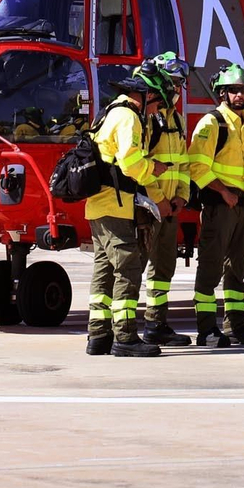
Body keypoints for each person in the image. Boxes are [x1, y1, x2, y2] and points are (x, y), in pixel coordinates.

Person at [86, 64, 173, 357]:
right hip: (115, 206)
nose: (158, 109)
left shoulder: (110, 111)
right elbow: (131, 164)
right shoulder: (128, 117)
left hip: (100, 205)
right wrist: (154, 168)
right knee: (128, 267)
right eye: (158, 103)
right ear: (147, 95)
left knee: (104, 269)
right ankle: (125, 337)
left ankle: (99, 335)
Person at [186, 62, 244, 347]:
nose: (239, 95)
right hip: (220, 207)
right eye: (233, 90)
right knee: (211, 268)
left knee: (237, 270)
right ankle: (206, 329)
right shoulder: (212, 123)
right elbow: (197, 166)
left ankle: (236, 325)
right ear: (222, 93)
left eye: (243, 90)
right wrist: (223, 192)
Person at [137, 53, 193, 347]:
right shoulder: (147, 118)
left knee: (163, 268)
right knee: (134, 268)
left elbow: (182, 162)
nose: (176, 89)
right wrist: (158, 199)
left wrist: (181, 196)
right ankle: (120, 329)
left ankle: (155, 324)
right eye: (172, 82)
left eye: (179, 84)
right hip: (148, 207)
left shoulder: (177, 120)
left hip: (170, 206)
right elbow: (140, 164)